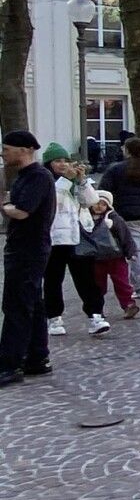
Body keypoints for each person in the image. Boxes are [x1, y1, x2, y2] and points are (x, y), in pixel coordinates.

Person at [0, 131, 56, 385]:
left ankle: (10, 364)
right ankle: (37, 358)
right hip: (24, 247)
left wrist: (6, 206)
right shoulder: (24, 176)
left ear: (24, 150)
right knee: (32, 302)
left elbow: (22, 211)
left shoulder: (38, 176)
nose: (4, 153)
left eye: (7, 149)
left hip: (29, 249)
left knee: (17, 305)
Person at [41, 143, 110, 337]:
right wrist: (66, 180)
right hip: (55, 237)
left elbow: (91, 201)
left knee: (87, 279)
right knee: (53, 279)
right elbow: (52, 200)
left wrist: (82, 181)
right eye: (57, 161)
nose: (63, 164)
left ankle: (96, 315)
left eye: (65, 160)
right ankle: (54, 317)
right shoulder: (45, 181)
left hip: (79, 236)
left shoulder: (73, 182)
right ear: (49, 163)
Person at [97, 137, 140, 300]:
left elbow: (103, 191)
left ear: (127, 150)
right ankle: (139, 282)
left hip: (128, 214)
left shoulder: (116, 169)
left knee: (136, 250)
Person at [87, 191, 138, 319]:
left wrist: (130, 252)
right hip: (96, 258)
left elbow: (125, 236)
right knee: (97, 285)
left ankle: (128, 304)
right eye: (97, 203)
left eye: (103, 204)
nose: (99, 206)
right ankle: (97, 309)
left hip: (116, 257)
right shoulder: (86, 218)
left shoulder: (114, 219)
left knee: (122, 282)